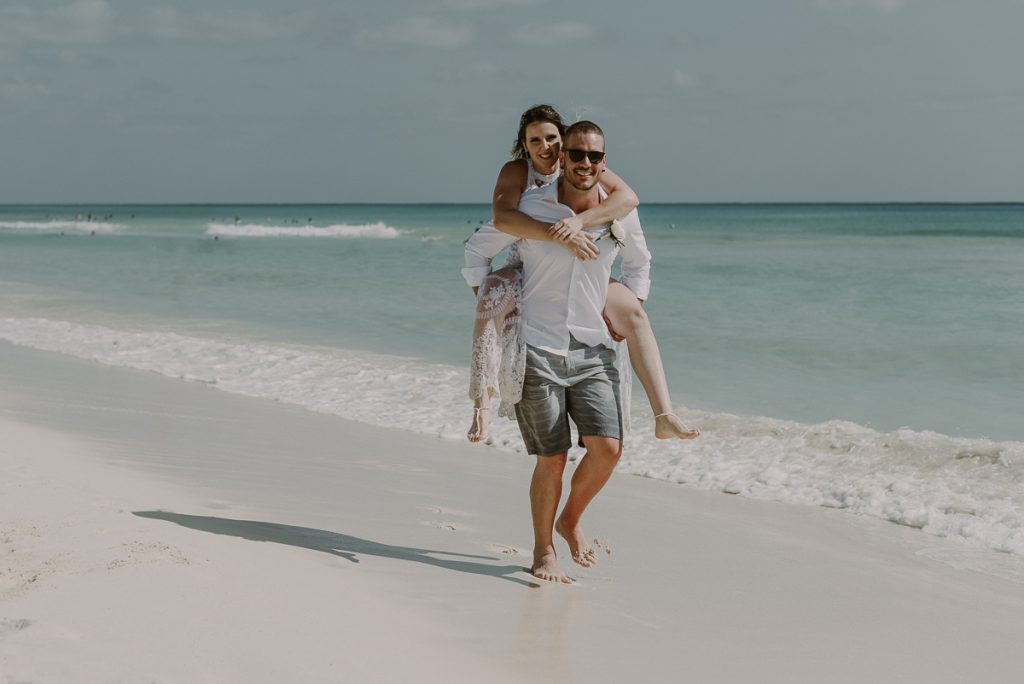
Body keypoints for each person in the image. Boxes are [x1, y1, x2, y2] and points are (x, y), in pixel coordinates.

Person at [465, 121, 652, 582]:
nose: (583, 162)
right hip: (537, 345)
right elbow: (477, 250)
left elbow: (640, 262)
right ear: (561, 158)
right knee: (552, 457)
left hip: (594, 346)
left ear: (602, 162)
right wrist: (493, 298)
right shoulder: (529, 207)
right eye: (575, 154)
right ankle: (543, 550)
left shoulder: (615, 210)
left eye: (593, 156)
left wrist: (627, 304)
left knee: (608, 448)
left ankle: (570, 519)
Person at [463, 105, 698, 445]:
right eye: (535, 140)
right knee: (491, 295)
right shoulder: (521, 178)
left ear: (565, 141)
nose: (546, 147)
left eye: (552, 139)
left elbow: (629, 201)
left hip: (584, 274)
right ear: (524, 145)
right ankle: (481, 404)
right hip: (527, 268)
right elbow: (501, 222)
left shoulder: (585, 165)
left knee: (634, 312)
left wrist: (579, 224)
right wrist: (560, 236)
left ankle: (664, 414)